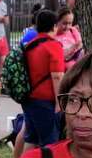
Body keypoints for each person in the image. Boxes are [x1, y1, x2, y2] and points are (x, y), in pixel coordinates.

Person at [22, 9, 67, 147]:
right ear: (54, 26)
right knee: (51, 144)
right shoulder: (53, 46)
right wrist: (60, 103)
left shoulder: (30, 45)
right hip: (46, 101)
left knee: (32, 141)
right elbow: (58, 77)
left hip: (29, 99)